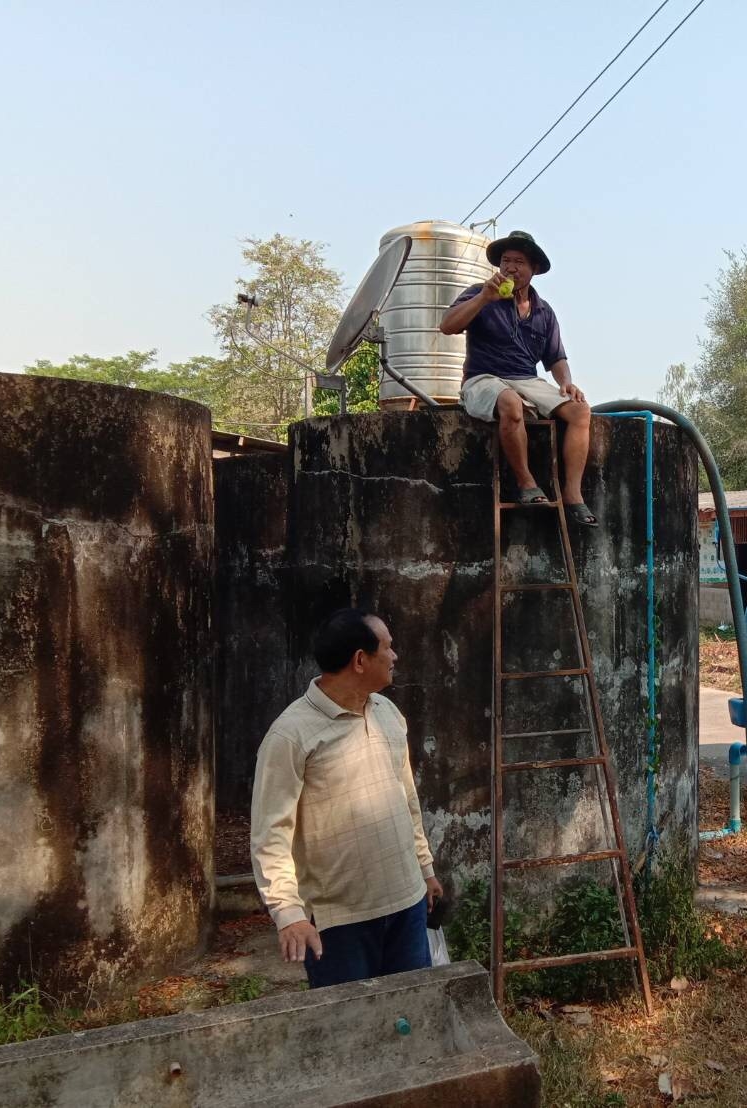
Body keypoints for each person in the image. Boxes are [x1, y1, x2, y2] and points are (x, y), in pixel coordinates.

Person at [250, 608, 443, 987]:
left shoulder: (388, 713)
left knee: (411, 1014)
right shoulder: (290, 735)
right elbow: (271, 833)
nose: (394, 656)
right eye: (387, 647)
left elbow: (406, 798)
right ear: (359, 660)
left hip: (407, 904)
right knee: (353, 1020)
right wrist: (288, 913)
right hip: (340, 922)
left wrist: (425, 869)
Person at [440, 229, 598, 527]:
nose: (510, 268)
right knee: (511, 403)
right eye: (506, 261)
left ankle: (573, 494)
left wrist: (566, 382)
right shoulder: (479, 292)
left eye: (519, 262)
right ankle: (527, 483)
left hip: (526, 379)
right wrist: (483, 299)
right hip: (482, 377)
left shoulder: (544, 312)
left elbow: (556, 358)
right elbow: (447, 326)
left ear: (533, 269)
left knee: (580, 410)